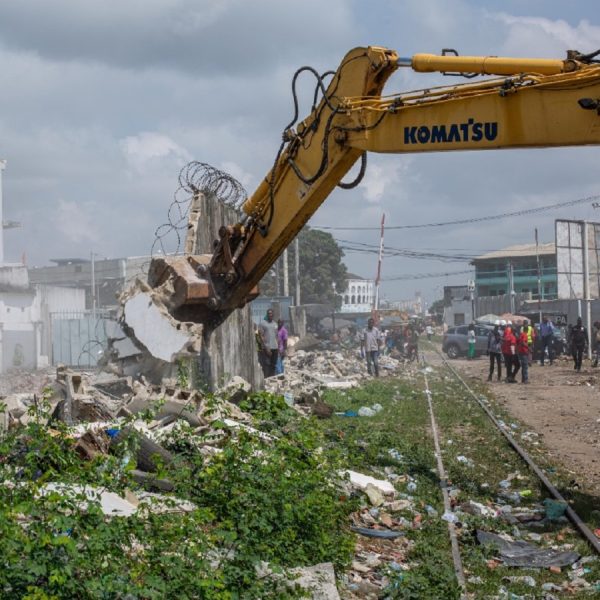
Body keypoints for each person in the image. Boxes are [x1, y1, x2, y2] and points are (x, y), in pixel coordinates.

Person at [258, 309, 279, 378]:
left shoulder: (275, 324)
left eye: (271, 313)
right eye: (269, 313)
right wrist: (266, 347)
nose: (270, 315)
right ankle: (266, 379)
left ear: (273, 315)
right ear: (267, 314)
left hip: (275, 347)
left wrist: (278, 346)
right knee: (267, 364)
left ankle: (272, 379)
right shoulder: (262, 324)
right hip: (267, 348)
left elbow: (276, 336)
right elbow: (261, 336)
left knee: (273, 364)